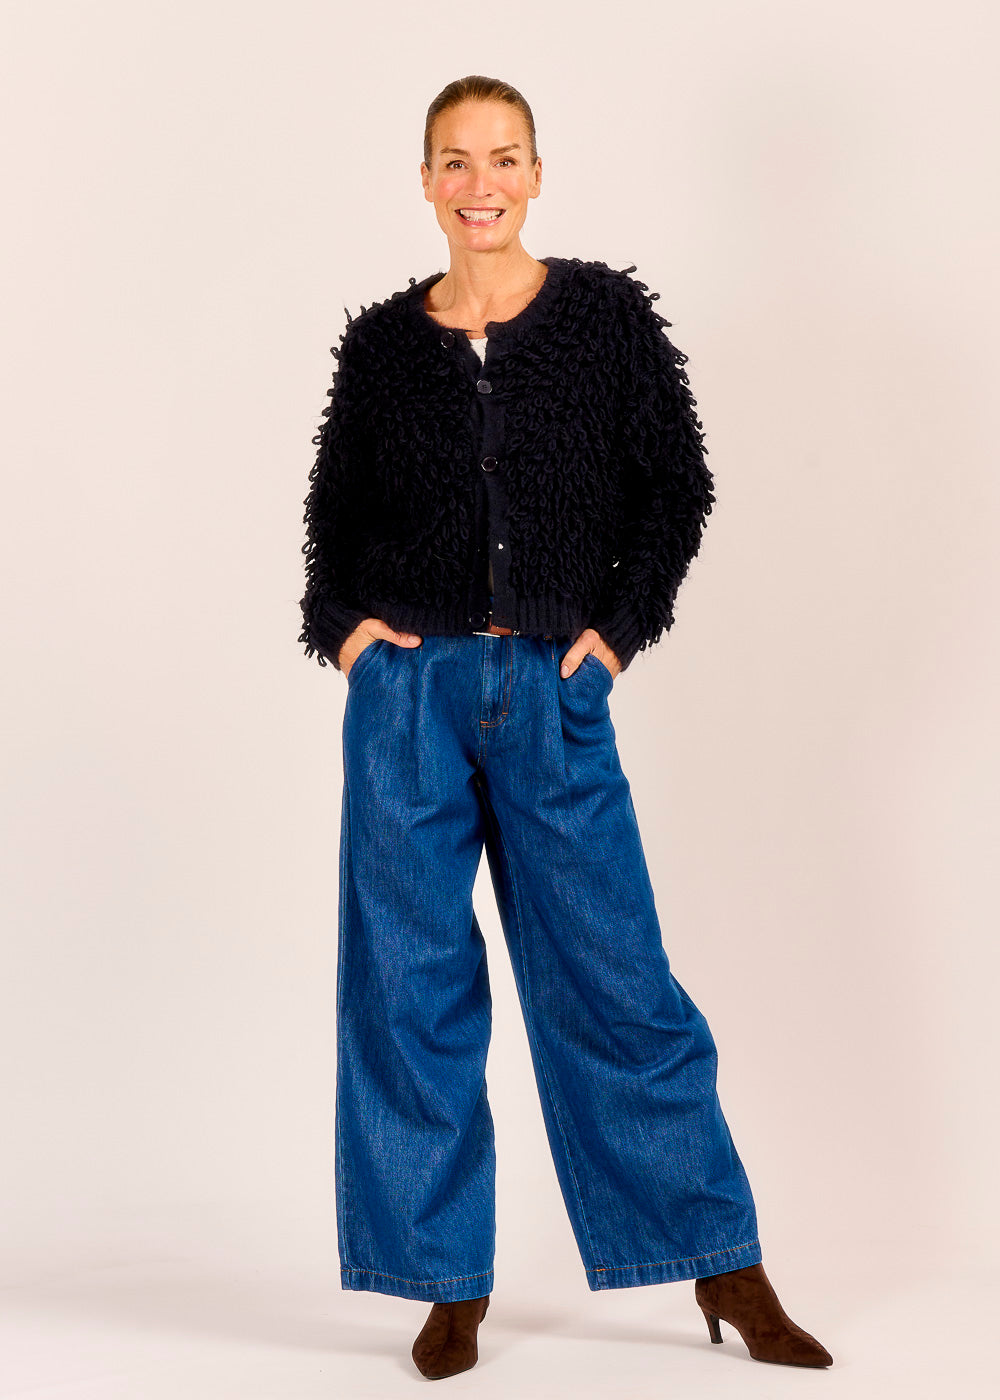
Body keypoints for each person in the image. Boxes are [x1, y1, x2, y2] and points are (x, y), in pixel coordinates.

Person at [298, 74, 834, 1382]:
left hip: (551, 689)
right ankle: (445, 1282)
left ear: (537, 175)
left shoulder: (602, 320)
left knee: (617, 980)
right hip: (409, 703)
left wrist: (615, 633)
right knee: (409, 991)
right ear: (425, 182)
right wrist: (346, 631)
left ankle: (721, 1258)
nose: (479, 183)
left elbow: (678, 486)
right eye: (455, 160)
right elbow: (334, 514)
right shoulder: (383, 348)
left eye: (504, 157)